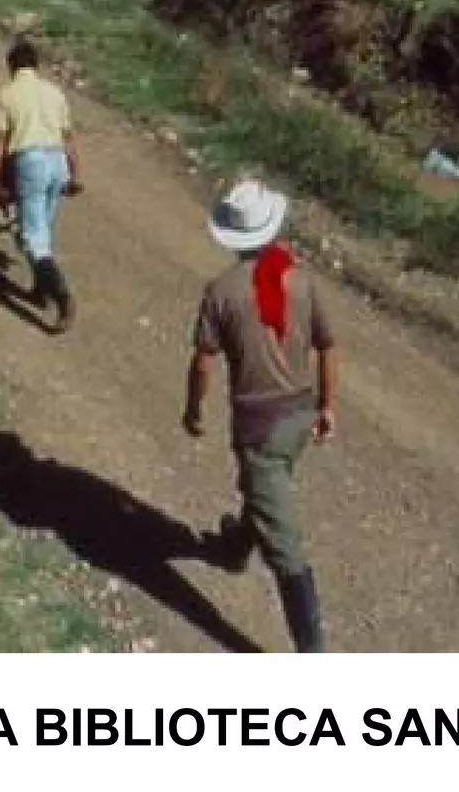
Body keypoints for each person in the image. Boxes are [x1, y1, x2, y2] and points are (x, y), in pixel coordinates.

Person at [183, 177, 336, 653]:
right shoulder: (300, 277)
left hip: (259, 425)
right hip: (300, 417)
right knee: (264, 487)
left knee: (284, 546)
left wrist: (192, 410)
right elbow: (328, 346)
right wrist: (328, 405)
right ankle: (232, 549)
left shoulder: (221, 291)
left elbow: (203, 361)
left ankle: (311, 655)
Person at [0, 38, 82, 332]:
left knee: (32, 237)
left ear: (11, 66)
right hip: (58, 163)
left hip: (32, 162)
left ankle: (62, 296)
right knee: (43, 228)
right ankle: (40, 289)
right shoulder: (54, 93)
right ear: (35, 65)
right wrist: (77, 173)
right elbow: (69, 137)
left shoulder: (4, 95)